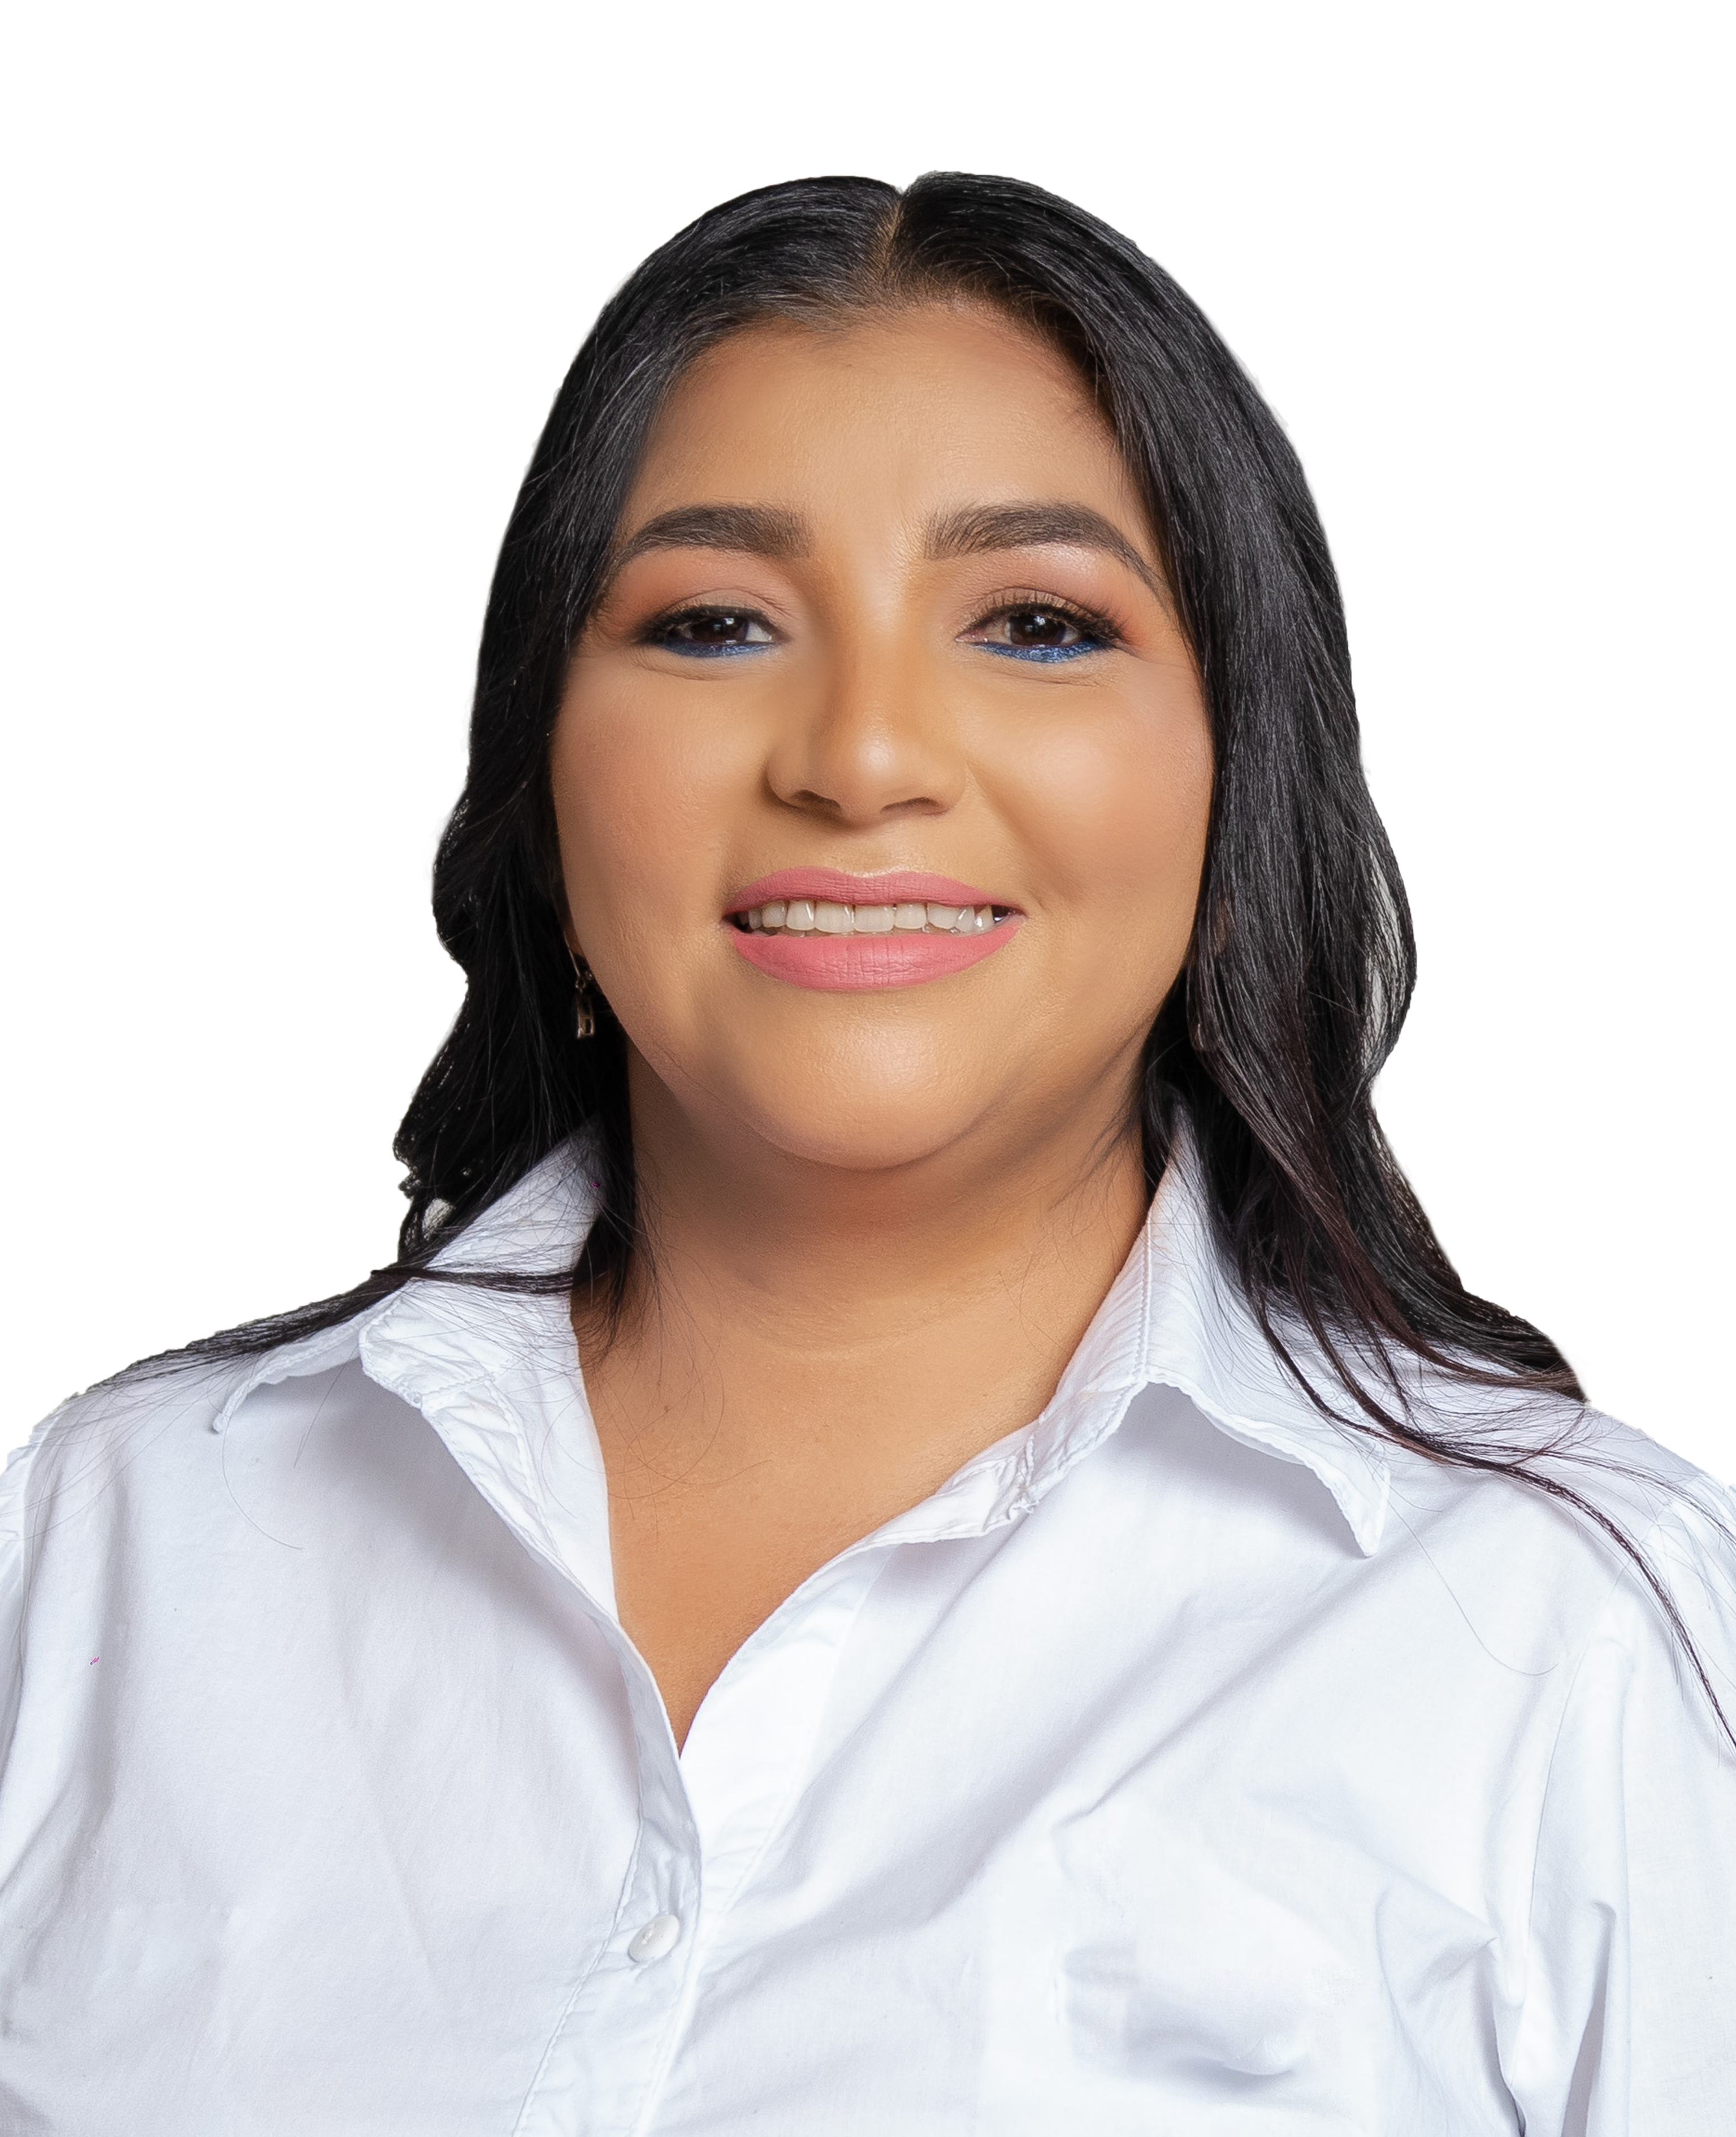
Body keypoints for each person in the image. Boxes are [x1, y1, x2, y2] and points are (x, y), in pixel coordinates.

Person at [2, 173, 1731, 2135]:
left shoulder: (1591, 1640)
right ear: (543, 773)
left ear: (1238, 774)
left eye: (1037, 624)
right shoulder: (110, 1544)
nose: (862, 755)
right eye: (716, 622)